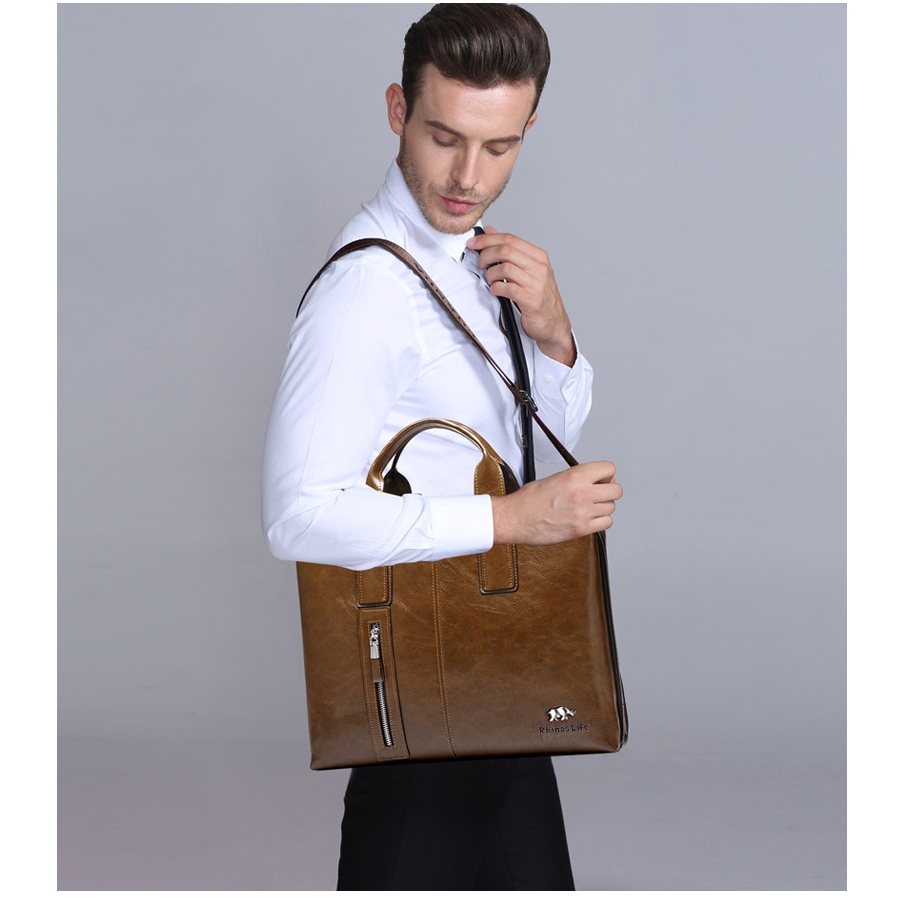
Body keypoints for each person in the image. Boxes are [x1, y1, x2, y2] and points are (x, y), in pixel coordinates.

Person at [262, 3, 622, 891]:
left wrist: (554, 334)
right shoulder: (368, 292)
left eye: (499, 147)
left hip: (498, 669)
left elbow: (521, 443)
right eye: (444, 138)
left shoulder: (478, 259)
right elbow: (297, 516)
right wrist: (510, 522)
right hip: (424, 674)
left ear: (528, 129)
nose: (468, 176)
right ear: (398, 110)